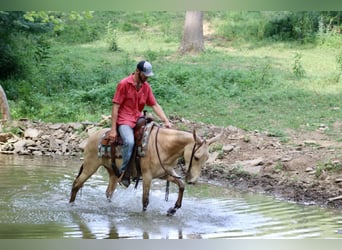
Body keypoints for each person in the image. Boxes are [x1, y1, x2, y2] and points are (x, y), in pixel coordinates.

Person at [108, 60, 171, 187]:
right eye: (145, 75)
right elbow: (115, 106)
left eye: (148, 75)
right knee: (129, 142)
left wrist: (166, 120)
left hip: (138, 118)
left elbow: (154, 104)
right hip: (124, 120)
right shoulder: (124, 84)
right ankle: (124, 172)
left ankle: (146, 166)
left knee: (154, 138)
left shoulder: (146, 87)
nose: (147, 77)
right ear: (137, 71)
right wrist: (113, 129)